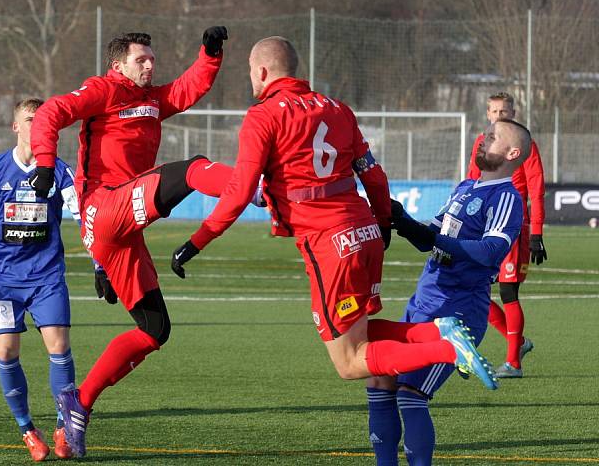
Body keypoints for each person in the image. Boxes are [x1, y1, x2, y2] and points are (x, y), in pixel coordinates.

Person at [171, 36, 498, 394]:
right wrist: (383, 221)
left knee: (348, 362)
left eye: (251, 72)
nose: (251, 79)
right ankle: (439, 331)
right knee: (361, 336)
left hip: (329, 242)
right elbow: (373, 174)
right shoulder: (338, 109)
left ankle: (447, 349)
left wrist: (196, 241)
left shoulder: (262, 117)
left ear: (262, 71)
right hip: (364, 231)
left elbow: (238, 192)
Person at [28, 27, 260, 458]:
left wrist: (210, 55)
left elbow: (189, 89)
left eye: (152, 59)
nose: (150, 65)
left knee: (155, 330)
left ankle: (77, 405)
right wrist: (44, 161)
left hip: (121, 230)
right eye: (141, 60)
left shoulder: (151, 99)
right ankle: (256, 189)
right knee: (192, 170)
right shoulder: (104, 90)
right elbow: (50, 113)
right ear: (117, 65)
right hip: (104, 207)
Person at [367, 118, 530, 466]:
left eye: (493, 136)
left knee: (412, 393)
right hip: (422, 303)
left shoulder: (506, 197)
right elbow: (431, 238)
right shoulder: (466, 187)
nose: (484, 139)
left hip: (457, 310)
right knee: (380, 379)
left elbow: (490, 252)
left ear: (512, 152)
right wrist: (402, 219)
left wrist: (432, 237)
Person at [0, 98, 85, 462]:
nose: (37, 125)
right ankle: (27, 428)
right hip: (4, 282)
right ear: (16, 127)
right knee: (6, 353)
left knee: (58, 347)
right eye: (30, 119)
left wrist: (102, 265)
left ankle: (61, 424)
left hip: (46, 277)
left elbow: (84, 217)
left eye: (43, 121)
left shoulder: (60, 172)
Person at [467, 92, 546, 378]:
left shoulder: (524, 146)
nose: (500, 116)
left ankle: (513, 362)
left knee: (508, 290)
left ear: (513, 113)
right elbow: (471, 181)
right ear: (488, 114)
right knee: (474, 288)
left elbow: (536, 189)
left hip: (511, 225)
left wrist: (536, 232)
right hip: (483, 225)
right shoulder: (481, 143)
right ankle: (519, 342)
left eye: (505, 112)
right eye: (495, 112)